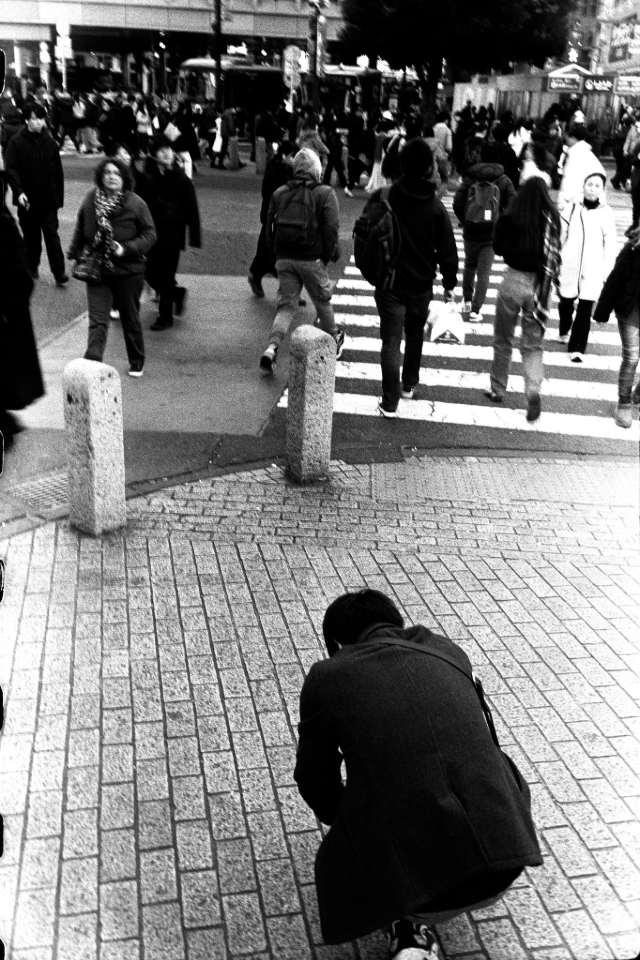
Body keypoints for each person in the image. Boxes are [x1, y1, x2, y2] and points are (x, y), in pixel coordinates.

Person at [294, 589, 542, 956]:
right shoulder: (447, 649)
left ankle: (409, 930)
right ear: (395, 621)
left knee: (363, 823)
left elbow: (315, 778)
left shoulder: (326, 677)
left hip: (426, 897)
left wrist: (344, 821)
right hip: (509, 860)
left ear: (336, 642)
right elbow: (487, 738)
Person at [365, 138, 457, 417]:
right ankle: (409, 384)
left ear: (402, 165)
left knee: (391, 341)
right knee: (415, 333)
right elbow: (447, 249)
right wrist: (449, 284)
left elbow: (365, 229)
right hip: (421, 285)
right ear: (429, 168)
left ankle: (390, 401)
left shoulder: (385, 196)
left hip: (390, 282)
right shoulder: (435, 206)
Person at [67, 157, 156, 377]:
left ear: (124, 178)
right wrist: (74, 251)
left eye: (117, 173)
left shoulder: (135, 203)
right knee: (98, 320)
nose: (112, 177)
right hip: (98, 270)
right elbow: (81, 226)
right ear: (100, 176)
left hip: (128, 272)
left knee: (130, 318)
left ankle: (136, 360)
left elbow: (150, 234)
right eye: (107, 172)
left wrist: (125, 248)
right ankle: (93, 361)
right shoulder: (91, 199)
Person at [259, 148, 343, 373]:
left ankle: (271, 347)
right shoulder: (324, 193)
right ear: (317, 169)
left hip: (284, 258)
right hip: (312, 258)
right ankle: (333, 341)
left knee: (286, 307)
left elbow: (268, 229)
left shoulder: (280, 193)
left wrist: (275, 257)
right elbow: (331, 229)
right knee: (322, 301)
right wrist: (326, 256)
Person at [485, 177, 561, 423]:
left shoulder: (510, 216)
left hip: (513, 280)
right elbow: (556, 254)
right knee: (532, 346)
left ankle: (497, 388)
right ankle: (533, 392)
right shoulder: (551, 220)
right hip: (539, 286)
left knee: (503, 339)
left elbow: (497, 247)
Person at [0, 172, 45, 450]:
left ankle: (5, 423)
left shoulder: (4, 226)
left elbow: (21, 277)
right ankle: (5, 421)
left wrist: (7, 309)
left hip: (3, 315)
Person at [4, 102, 68, 285]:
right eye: (35, 118)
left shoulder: (50, 142)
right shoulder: (16, 142)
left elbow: (58, 172)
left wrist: (58, 198)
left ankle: (59, 272)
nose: (39, 122)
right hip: (27, 200)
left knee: (52, 236)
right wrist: (19, 191)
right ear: (26, 120)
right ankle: (32, 266)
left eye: (41, 118)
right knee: (31, 237)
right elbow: (11, 169)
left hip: (48, 200)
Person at [557, 172, 616, 363]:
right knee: (566, 302)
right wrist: (557, 256)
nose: (592, 188)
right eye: (589, 184)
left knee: (585, 307)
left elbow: (610, 244)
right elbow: (561, 233)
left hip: (593, 268)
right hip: (570, 264)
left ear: (602, 190)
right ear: (583, 187)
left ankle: (577, 348)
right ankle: (564, 327)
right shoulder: (573, 207)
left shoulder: (607, 212)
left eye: (597, 186)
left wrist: (608, 273)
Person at [453, 140, 515, 322]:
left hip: (471, 230)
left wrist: (466, 219)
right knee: (484, 273)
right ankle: (475, 310)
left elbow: (457, 202)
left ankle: (465, 300)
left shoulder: (470, 176)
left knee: (469, 266)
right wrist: (499, 222)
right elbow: (512, 205)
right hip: (490, 234)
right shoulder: (504, 179)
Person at [143, 136, 201, 331]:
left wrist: (195, 236)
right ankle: (176, 294)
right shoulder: (149, 178)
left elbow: (192, 208)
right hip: (151, 234)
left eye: (168, 148)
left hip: (172, 234)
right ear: (153, 155)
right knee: (150, 275)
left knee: (166, 276)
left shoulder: (181, 179)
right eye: (161, 150)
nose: (167, 152)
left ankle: (165, 317)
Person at [593, 230, 640, 429]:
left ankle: (637, 394)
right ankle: (624, 403)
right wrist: (602, 310)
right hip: (631, 310)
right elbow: (616, 278)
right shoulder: (633, 248)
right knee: (631, 357)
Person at [248, 140, 296, 298]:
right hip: (274, 217)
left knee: (273, 254)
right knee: (273, 253)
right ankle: (288, 291)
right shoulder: (276, 170)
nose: (294, 159)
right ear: (284, 155)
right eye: (292, 156)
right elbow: (271, 194)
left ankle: (289, 290)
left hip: (278, 217)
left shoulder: (284, 169)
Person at [558, 125, 606, 208]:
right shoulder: (585, 153)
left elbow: (570, 182)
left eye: (567, 137)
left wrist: (563, 204)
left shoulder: (575, 155)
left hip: (577, 202)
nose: (565, 139)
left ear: (572, 138)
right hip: (587, 200)